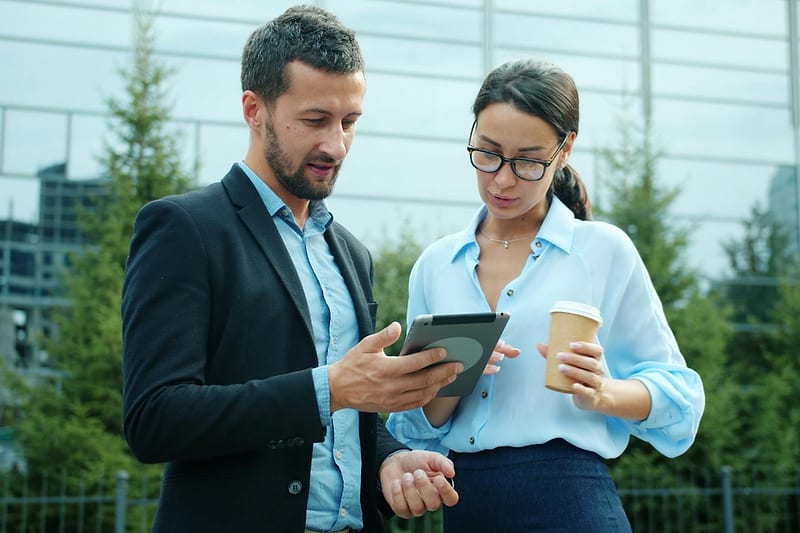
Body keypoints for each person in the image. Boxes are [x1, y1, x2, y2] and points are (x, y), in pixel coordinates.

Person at [121, 5, 463, 532]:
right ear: (253, 109)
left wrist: (389, 461)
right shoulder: (184, 228)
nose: (337, 145)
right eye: (315, 121)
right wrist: (331, 389)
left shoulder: (350, 253)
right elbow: (154, 419)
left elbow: (350, 422)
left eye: (350, 122)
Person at [386, 58, 705, 532]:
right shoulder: (436, 265)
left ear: (565, 149)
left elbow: (682, 403)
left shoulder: (603, 252)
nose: (502, 179)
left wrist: (605, 391)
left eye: (528, 161)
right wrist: (451, 376)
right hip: (465, 505)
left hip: (572, 502)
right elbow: (414, 428)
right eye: (488, 153)